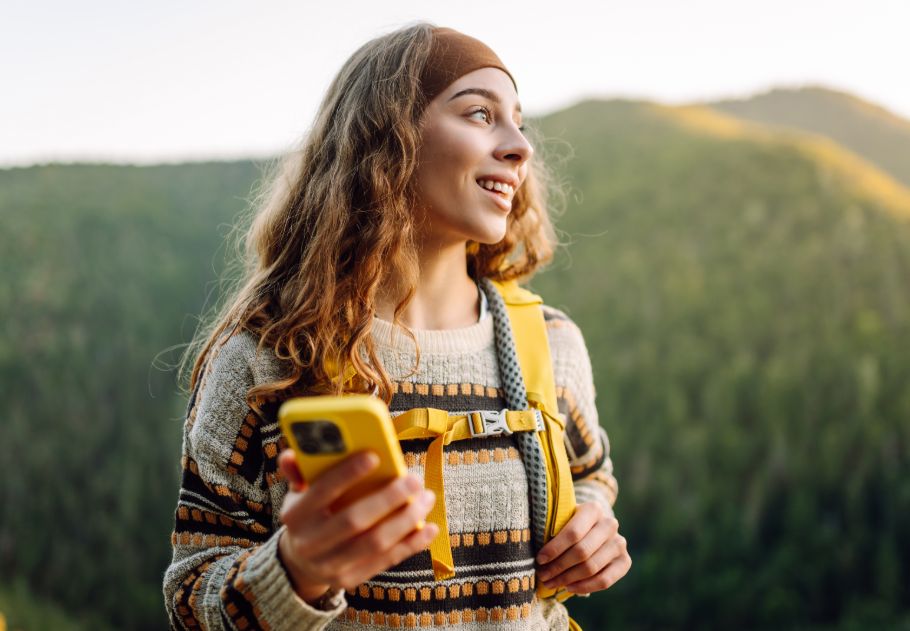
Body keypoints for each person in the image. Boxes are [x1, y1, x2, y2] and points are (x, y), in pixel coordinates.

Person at [163, 23, 630, 631]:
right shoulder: (265, 357)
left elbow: (591, 476)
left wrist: (592, 526)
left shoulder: (551, 341)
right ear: (388, 138)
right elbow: (191, 598)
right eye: (480, 114)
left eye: (518, 122)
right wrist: (296, 572)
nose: (521, 147)